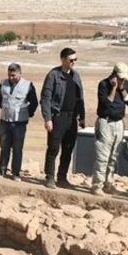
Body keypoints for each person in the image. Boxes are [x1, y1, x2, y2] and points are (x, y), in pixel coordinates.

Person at [40, 47, 86, 189]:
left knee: (68, 149)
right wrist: (48, 119)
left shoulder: (76, 76)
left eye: (75, 60)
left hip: (71, 118)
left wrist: (82, 117)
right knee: (53, 148)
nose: (73, 62)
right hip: (57, 117)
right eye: (71, 60)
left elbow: (80, 98)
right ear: (63, 59)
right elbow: (45, 98)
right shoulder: (53, 75)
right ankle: (50, 177)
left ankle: (62, 177)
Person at [91, 62, 128, 195]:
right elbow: (106, 104)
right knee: (103, 155)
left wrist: (121, 88)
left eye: (123, 78)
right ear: (114, 74)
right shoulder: (103, 84)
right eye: (120, 78)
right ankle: (97, 185)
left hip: (119, 123)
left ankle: (108, 184)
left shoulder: (125, 85)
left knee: (113, 156)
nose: (122, 80)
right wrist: (114, 88)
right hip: (106, 122)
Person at [0, 63, 38, 181]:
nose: (11, 78)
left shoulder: (28, 85)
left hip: (19, 123)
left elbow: (34, 102)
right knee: (4, 147)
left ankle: (16, 173)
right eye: (9, 75)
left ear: (20, 73)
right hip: (5, 120)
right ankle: (2, 170)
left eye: (13, 75)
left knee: (17, 148)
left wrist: (27, 114)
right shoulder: (2, 84)